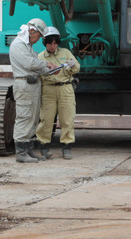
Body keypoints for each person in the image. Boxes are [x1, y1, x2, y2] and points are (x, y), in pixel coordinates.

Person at [9, 18, 58, 163]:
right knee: (24, 117)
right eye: (39, 36)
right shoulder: (18, 45)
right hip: (24, 85)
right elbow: (29, 63)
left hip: (33, 84)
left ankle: (29, 150)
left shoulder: (28, 46)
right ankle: (21, 152)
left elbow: (36, 65)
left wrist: (50, 70)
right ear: (32, 31)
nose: (39, 40)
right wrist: (47, 64)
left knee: (33, 118)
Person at [36, 26, 80, 160]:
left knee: (67, 118)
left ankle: (67, 146)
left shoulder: (65, 53)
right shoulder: (39, 57)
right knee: (46, 119)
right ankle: (43, 146)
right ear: (45, 43)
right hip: (48, 89)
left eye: (55, 43)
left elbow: (77, 68)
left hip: (65, 88)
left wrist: (72, 65)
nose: (52, 46)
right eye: (50, 43)